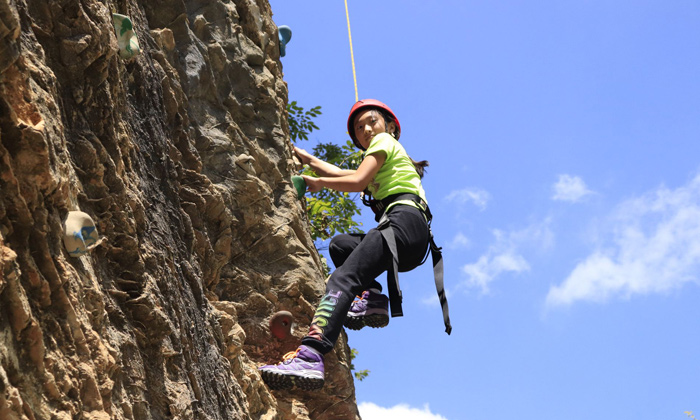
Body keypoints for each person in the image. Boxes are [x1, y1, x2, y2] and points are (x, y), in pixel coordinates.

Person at [259, 99, 450, 391]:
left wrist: (318, 183)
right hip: (412, 239)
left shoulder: (384, 142)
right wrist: (308, 160)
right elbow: (345, 174)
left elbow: (358, 181)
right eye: (359, 128)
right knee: (340, 246)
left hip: (402, 222)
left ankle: (310, 355)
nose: (366, 130)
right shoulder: (387, 157)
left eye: (371, 121)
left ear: (390, 127)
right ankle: (372, 299)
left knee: (342, 278)